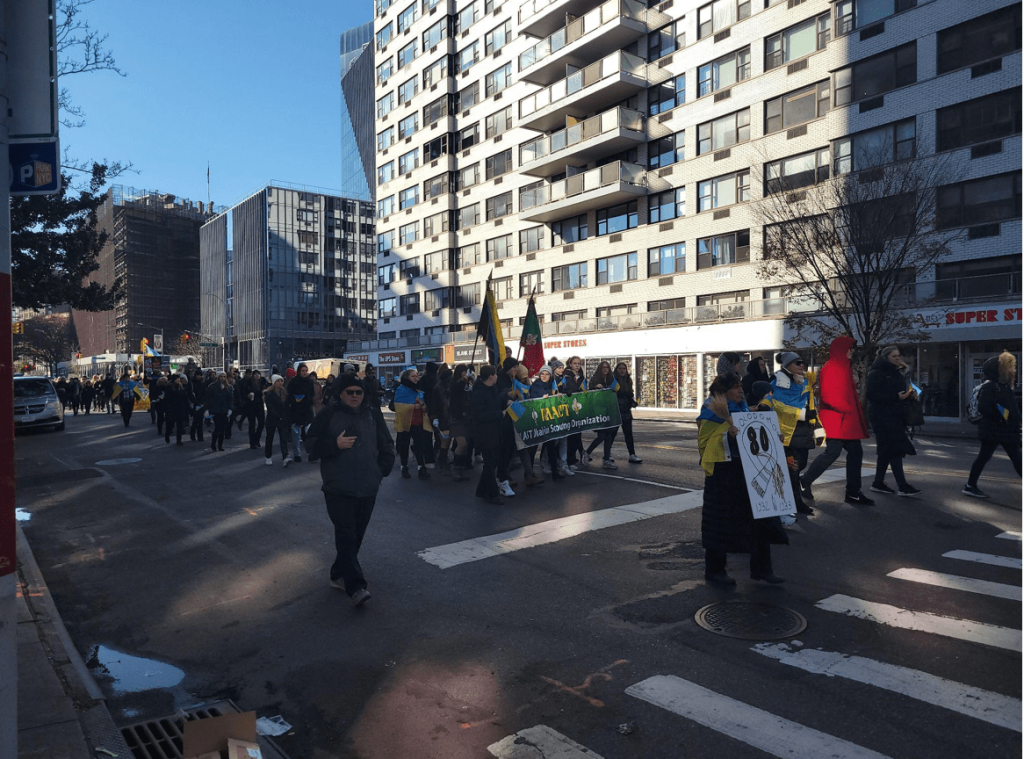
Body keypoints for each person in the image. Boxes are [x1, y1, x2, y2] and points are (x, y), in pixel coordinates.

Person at [306, 373, 396, 607]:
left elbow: (386, 444)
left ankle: (338, 574)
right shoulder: (328, 414)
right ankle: (356, 586)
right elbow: (311, 445)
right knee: (346, 535)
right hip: (338, 487)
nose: (355, 396)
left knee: (355, 536)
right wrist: (334, 445)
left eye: (359, 392)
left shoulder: (373, 413)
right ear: (340, 393)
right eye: (350, 392)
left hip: (368, 486)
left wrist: (381, 471)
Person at [698, 373, 788, 585]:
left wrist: (774, 436)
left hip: (750, 471)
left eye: (740, 386)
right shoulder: (710, 412)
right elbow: (704, 444)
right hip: (723, 475)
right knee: (720, 523)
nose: (740, 390)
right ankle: (715, 570)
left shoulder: (745, 410)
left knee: (760, 518)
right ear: (722, 391)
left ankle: (762, 568)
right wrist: (726, 436)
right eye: (735, 387)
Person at [800, 336, 874, 506]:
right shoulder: (830, 368)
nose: (851, 351)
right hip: (836, 420)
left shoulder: (844, 367)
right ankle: (805, 480)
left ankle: (853, 492)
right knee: (833, 453)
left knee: (854, 453)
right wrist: (846, 407)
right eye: (849, 348)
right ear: (841, 349)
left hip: (845, 421)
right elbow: (826, 395)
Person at [964, 352, 1022, 498]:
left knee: (1011, 458)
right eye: (1007, 367)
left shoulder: (1003, 385)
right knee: (1013, 459)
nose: (1011, 370)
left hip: (1004, 431)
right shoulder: (990, 386)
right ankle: (970, 486)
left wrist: (1012, 419)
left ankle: (970, 485)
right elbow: (985, 408)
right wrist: (1003, 418)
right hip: (995, 431)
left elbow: (1009, 407)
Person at [867, 347, 921, 497]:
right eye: (894, 356)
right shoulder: (876, 373)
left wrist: (908, 395)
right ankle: (902, 485)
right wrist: (896, 397)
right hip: (882, 417)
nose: (898, 358)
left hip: (894, 415)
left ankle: (878, 482)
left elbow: (899, 392)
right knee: (895, 449)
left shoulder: (895, 372)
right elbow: (872, 396)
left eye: (899, 355)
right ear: (885, 357)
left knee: (886, 451)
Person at [769, 352, 817, 516]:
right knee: (793, 468)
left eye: (802, 362)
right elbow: (777, 405)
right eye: (797, 363)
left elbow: (811, 402)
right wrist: (802, 413)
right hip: (787, 430)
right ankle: (794, 502)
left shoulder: (804, 380)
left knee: (800, 464)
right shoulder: (778, 381)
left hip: (802, 429)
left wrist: (815, 423)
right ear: (787, 365)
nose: (802, 365)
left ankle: (791, 499)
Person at [471, 365, 506, 504]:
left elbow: (498, 402)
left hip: (495, 431)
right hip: (484, 433)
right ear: (490, 376)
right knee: (490, 463)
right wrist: (499, 414)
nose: (497, 376)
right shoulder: (478, 393)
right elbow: (478, 415)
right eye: (495, 374)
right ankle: (492, 493)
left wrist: (507, 400)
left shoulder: (493, 389)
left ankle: (482, 490)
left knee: (492, 463)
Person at [393, 367, 431, 479]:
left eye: (417, 376)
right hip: (405, 422)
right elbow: (397, 406)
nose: (416, 378)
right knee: (404, 446)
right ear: (407, 377)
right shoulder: (401, 389)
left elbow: (423, 403)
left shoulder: (418, 389)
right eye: (413, 376)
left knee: (419, 445)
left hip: (418, 421)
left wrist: (424, 407)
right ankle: (404, 467)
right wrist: (413, 406)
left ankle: (421, 468)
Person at [585, 361, 620, 469]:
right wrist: (596, 387)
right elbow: (589, 393)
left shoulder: (611, 379)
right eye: (603, 367)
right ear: (600, 369)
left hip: (609, 411)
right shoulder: (595, 379)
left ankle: (606, 458)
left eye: (607, 368)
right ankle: (587, 453)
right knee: (602, 436)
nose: (605, 369)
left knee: (608, 435)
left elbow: (617, 389)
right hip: (599, 411)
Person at [448, 364, 474, 482]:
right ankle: (456, 467)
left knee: (466, 445)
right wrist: (463, 381)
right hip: (456, 418)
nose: (465, 374)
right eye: (463, 372)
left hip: (467, 417)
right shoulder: (454, 384)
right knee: (462, 443)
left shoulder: (468, 385)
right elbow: (455, 390)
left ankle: (461, 467)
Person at [561, 356, 588, 467]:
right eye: (575, 363)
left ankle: (574, 457)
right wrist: (567, 391)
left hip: (578, 408)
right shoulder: (566, 376)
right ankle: (570, 459)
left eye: (579, 363)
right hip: (568, 408)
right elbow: (561, 388)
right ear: (570, 364)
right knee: (571, 436)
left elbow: (586, 390)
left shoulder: (581, 377)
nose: (577, 365)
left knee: (577, 434)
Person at [286, 363, 316, 462]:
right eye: (303, 371)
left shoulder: (310, 382)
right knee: (296, 434)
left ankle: (311, 453)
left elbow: (312, 394)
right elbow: (289, 395)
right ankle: (297, 454)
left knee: (309, 433)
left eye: (306, 371)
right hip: (296, 410)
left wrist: (310, 401)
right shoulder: (293, 381)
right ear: (299, 371)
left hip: (307, 410)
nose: (304, 373)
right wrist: (295, 400)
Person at [612, 362, 642, 463]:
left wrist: (633, 402)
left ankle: (632, 454)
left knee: (628, 434)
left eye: (624, 369)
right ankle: (607, 454)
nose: (622, 371)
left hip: (626, 411)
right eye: (620, 368)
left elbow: (630, 394)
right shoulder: (613, 381)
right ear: (616, 370)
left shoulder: (628, 380)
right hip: (616, 410)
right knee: (612, 433)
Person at [429, 367, 454, 476]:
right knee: (444, 440)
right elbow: (434, 405)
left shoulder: (449, 387)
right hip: (442, 417)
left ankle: (442, 459)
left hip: (448, 416)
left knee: (446, 440)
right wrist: (435, 418)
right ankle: (442, 461)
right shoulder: (438, 388)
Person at [264, 374, 292, 466]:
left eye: (281, 381)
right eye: (278, 381)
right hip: (272, 419)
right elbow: (270, 408)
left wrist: (287, 418)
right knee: (270, 438)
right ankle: (268, 456)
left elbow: (287, 406)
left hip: (282, 419)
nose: (280, 383)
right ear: (274, 383)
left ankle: (285, 457)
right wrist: (278, 416)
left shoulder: (285, 393)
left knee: (283, 438)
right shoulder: (269, 394)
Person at [204, 371, 233, 452]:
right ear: (217, 377)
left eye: (224, 377)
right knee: (217, 428)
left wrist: (230, 408)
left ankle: (220, 445)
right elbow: (208, 399)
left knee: (222, 429)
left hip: (224, 410)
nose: (223, 378)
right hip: (216, 409)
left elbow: (231, 399)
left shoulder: (228, 387)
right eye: (221, 376)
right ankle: (213, 444)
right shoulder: (212, 387)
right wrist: (206, 409)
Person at [162, 374, 191, 445]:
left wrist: (188, 408)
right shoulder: (170, 387)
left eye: (179, 379)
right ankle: (167, 435)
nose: (179, 380)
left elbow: (185, 398)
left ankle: (179, 440)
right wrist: (168, 409)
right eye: (177, 379)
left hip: (180, 409)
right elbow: (167, 399)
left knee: (180, 426)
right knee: (170, 425)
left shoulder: (181, 387)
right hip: (172, 409)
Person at [247, 370, 267, 449]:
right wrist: (248, 395)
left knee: (261, 423)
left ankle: (257, 438)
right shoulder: (249, 382)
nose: (257, 376)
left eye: (258, 374)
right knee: (252, 424)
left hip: (259, 404)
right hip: (251, 404)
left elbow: (266, 388)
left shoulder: (262, 381)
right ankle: (252, 442)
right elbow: (245, 390)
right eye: (255, 374)